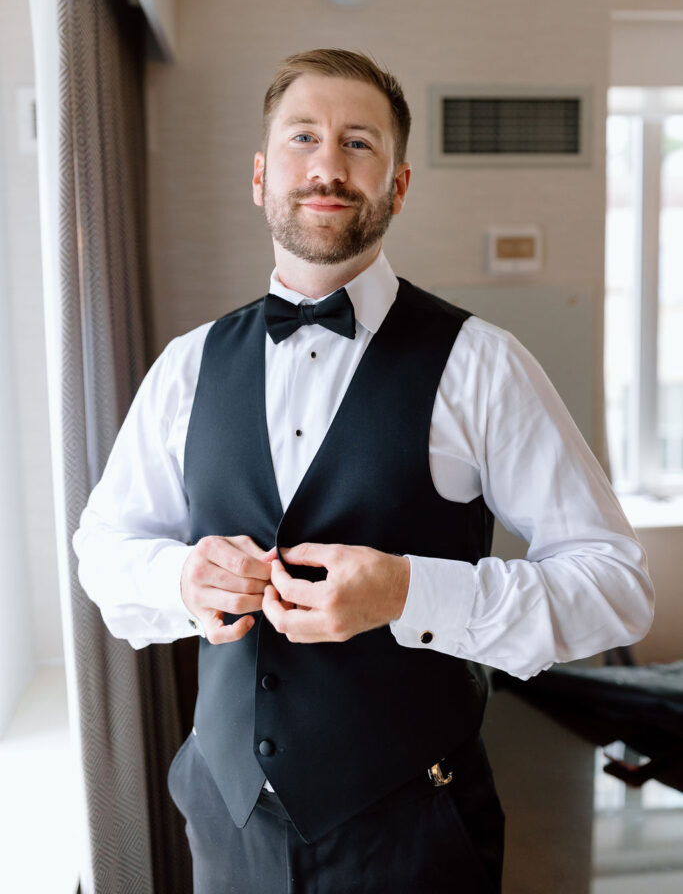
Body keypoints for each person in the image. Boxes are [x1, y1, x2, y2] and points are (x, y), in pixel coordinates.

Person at [74, 49, 654, 894]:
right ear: (262, 174)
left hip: (414, 832)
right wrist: (180, 578)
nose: (327, 165)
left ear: (399, 183)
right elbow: (104, 548)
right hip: (225, 824)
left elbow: (615, 586)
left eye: (359, 143)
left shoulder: (481, 365)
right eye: (304, 137)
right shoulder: (185, 367)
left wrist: (408, 595)